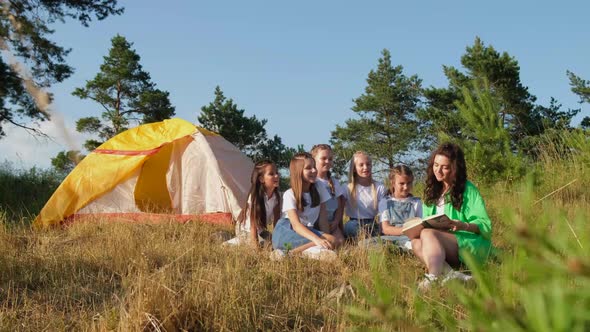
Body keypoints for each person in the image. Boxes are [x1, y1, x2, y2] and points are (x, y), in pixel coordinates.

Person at [411, 143, 493, 290]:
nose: (438, 170)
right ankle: (455, 275)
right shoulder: (432, 190)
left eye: (445, 167)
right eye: (436, 165)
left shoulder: (468, 190)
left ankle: (433, 278)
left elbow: (485, 224)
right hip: (441, 245)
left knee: (427, 233)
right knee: (416, 243)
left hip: (468, 243)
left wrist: (463, 225)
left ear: (455, 168)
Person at [271, 153, 338, 260]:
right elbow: (296, 225)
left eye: (314, 167)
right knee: (327, 241)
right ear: (298, 172)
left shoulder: (318, 187)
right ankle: (291, 254)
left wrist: (325, 240)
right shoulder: (290, 194)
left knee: (333, 240)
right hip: (287, 231)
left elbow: (323, 219)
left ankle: (299, 253)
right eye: (308, 168)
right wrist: (317, 239)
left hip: (308, 231)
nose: (314, 171)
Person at [360, 165, 422, 250]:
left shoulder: (416, 202)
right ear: (393, 183)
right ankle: (399, 248)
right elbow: (385, 229)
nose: (406, 187)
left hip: (410, 238)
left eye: (409, 183)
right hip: (391, 238)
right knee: (364, 243)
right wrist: (405, 231)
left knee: (419, 241)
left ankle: (399, 249)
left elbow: (420, 225)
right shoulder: (385, 202)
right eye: (402, 183)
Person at [224, 161, 281, 247]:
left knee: (273, 243)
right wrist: (255, 247)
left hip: (261, 231)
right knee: (263, 245)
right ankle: (230, 243)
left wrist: (277, 239)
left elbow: (277, 222)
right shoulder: (255, 197)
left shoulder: (276, 197)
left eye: (277, 173)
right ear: (261, 179)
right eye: (271, 174)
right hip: (246, 230)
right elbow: (253, 226)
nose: (276, 176)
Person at [344, 151, 387, 239]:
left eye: (368, 164)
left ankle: (371, 241)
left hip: (372, 222)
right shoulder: (347, 188)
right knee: (354, 229)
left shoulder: (379, 187)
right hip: (354, 222)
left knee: (379, 234)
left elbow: (383, 212)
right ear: (354, 168)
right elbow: (339, 211)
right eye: (361, 165)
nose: (365, 167)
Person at [310, 144, 346, 247]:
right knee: (327, 243)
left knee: (340, 242)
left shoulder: (334, 182)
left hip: (332, 222)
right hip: (315, 224)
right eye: (323, 158)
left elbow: (339, 206)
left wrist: (336, 222)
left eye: (330, 159)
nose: (327, 161)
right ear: (313, 160)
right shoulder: (312, 182)